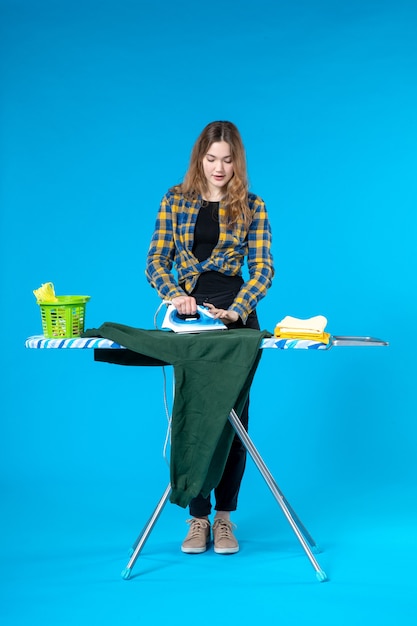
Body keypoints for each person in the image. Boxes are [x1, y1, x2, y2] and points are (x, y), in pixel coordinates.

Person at [145, 120, 274, 555]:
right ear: (200, 158)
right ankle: (196, 518)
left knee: (234, 418)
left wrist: (238, 308)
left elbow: (263, 269)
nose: (220, 167)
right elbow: (155, 260)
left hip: (237, 318)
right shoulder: (174, 200)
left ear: (238, 161)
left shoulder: (253, 206)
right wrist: (176, 295)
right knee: (196, 414)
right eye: (212, 158)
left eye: (228, 159)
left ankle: (224, 519)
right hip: (191, 318)